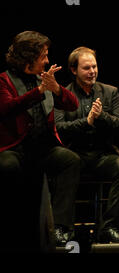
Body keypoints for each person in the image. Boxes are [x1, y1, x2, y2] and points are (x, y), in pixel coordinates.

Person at [0, 31, 80, 250]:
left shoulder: (43, 79)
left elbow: (73, 105)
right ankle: (13, 228)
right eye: (43, 56)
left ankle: (61, 228)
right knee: (7, 166)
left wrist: (55, 88)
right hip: (14, 148)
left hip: (42, 149)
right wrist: (38, 91)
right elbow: (6, 109)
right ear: (28, 57)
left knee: (69, 160)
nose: (46, 60)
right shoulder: (4, 80)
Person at [55, 47, 119, 243]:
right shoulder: (62, 94)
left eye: (94, 66)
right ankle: (62, 228)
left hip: (102, 154)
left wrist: (101, 117)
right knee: (66, 164)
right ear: (74, 70)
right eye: (86, 68)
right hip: (75, 154)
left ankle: (109, 227)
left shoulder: (110, 92)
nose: (92, 71)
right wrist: (86, 122)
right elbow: (59, 128)